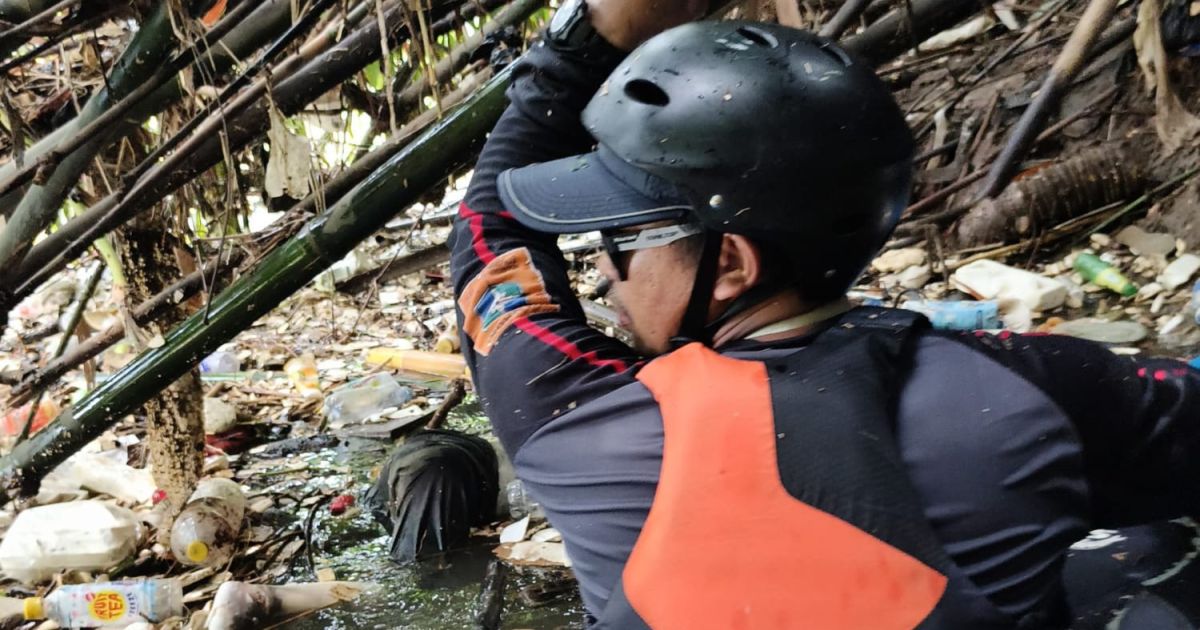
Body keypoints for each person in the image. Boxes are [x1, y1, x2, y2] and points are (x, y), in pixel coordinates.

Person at [449, 0, 1200, 627]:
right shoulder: (1041, 386)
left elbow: (488, 231)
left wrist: (583, 41)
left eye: (621, 239)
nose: (604, 273)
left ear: (731, 263)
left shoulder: (572, 416)